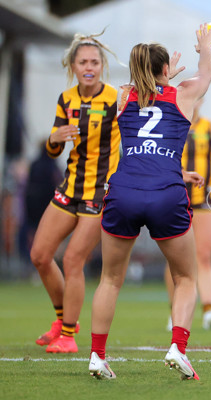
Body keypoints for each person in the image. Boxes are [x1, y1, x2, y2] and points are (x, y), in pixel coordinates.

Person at [88, 24, 211, 380]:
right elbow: (206, 72)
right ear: (164, 69)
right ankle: (178, 347)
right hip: (165, 194)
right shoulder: (184, 94)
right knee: (187, 276)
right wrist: (206, 46)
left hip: (124, 190)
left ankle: (97, 356)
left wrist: (160, 77)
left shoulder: (122, 95)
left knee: (110, 279)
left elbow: (143, 89)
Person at [30, 31, 121, 353]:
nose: (89, 67)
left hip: (100, 192)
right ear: (73, 65)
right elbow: (54, 150)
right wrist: (54, 139)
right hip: (70, 186)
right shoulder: (66, 99)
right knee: (40, 255)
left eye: (95, 62)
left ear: (102, 66)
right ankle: (62, 319)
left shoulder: (115, 98)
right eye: (83, 61)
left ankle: (68, 335)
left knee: (72, 260)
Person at [164, 98, 211, 331]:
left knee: (204, 255)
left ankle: (208, 309)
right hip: (174, 198)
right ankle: (174, 310)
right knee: (174, 257)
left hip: (205, 199)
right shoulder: (170, 126)